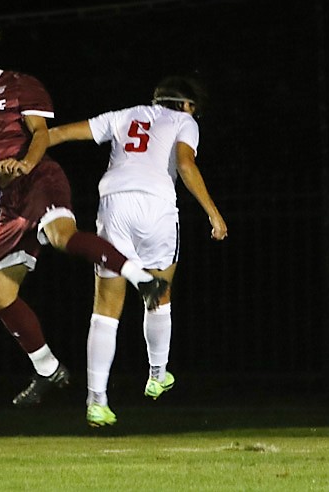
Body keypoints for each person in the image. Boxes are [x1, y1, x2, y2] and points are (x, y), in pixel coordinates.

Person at [0, 18, 168, 408]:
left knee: (61, 236)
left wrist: (24, 163)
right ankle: (47, 369)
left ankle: (143, 279)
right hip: (8, 200)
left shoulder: (20, 84)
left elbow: (40, 132)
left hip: (39, 176)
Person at [48, 76, 228, 427]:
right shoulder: (184, 121)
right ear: (187, 105)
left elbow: (59, 134)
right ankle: (157, 373)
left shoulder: (124, 114)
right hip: (157, 206)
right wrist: (213, 212)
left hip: (114, 202)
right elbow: (186, 164)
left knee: (105, 309)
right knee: (160, 296)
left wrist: (23, 154)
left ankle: (96, 401)